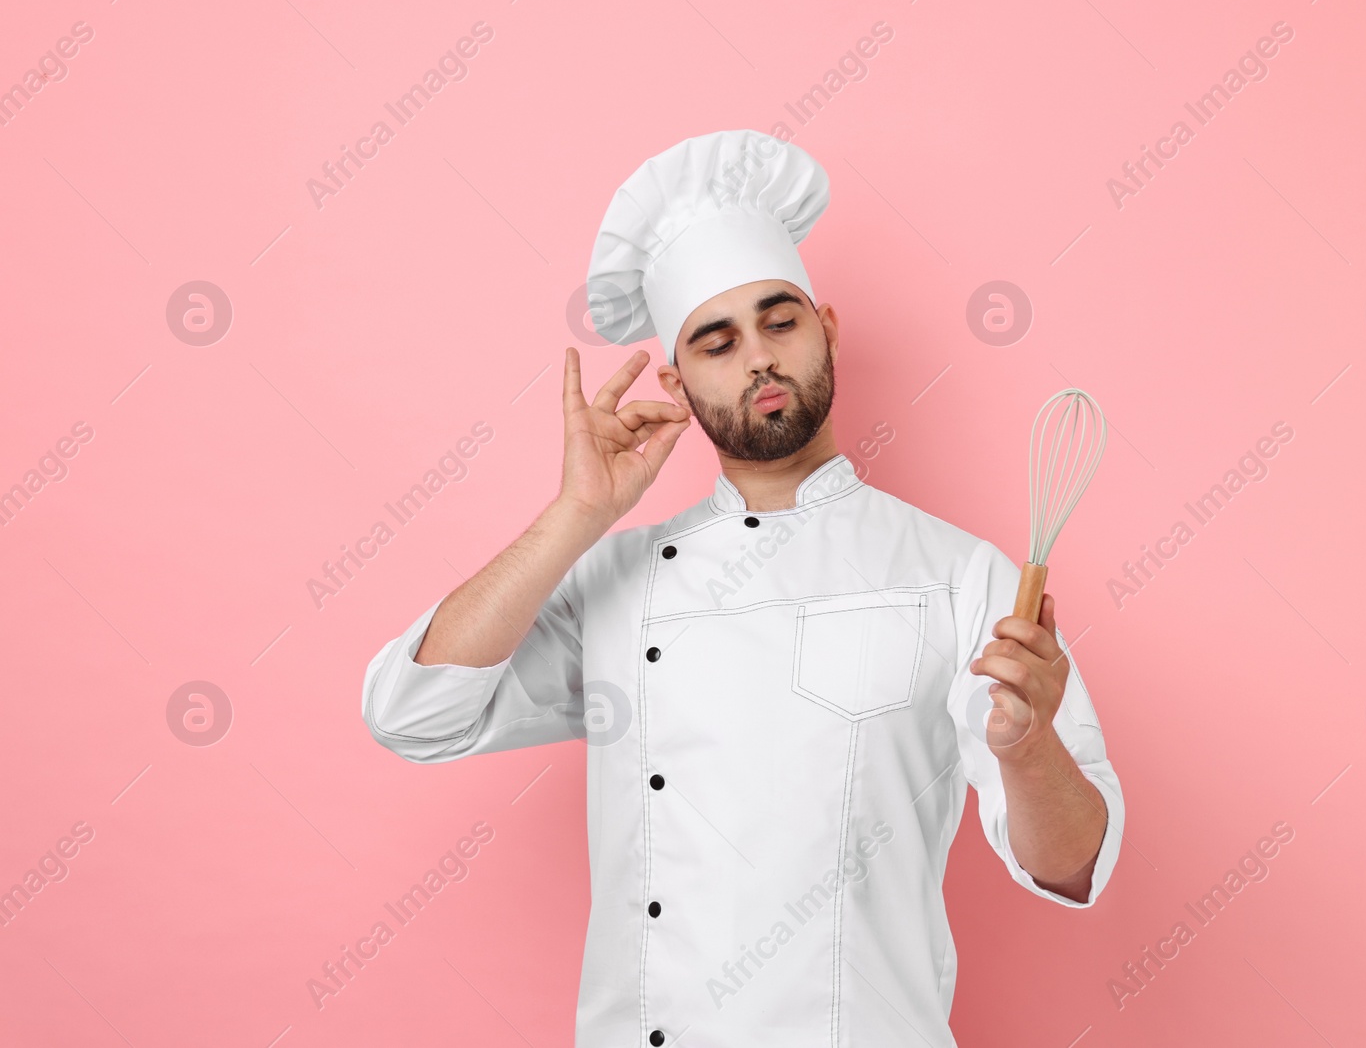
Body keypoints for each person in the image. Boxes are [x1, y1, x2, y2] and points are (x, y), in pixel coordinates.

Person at [361, 129, 1125, 1047]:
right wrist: (576, 514)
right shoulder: (618, 578)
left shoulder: (960, 574)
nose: (759, 357)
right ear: (678, 384)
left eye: (781, 321)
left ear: (826, 328)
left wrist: (1031, 744)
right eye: (718, 343)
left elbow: (1075, 865)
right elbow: (412, 711)